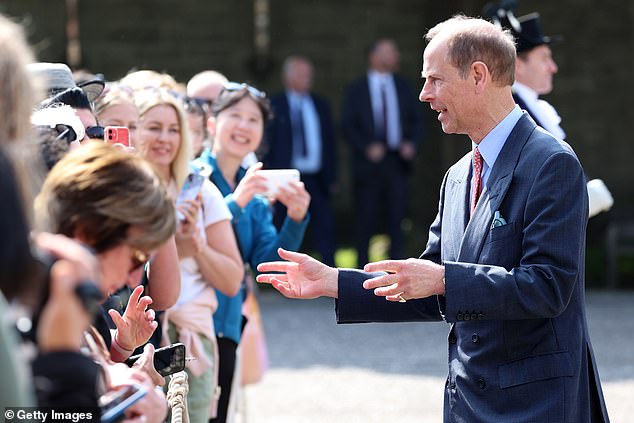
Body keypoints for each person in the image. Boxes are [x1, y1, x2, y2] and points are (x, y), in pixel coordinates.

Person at [256, 15, 610, 423]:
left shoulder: (552, 163)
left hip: (536, 404)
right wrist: (333, 281)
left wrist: (443, 280)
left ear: (478, 75)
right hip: (467, 404)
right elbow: (427, 285)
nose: (424, 94)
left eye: (435, 80)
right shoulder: (457, 175)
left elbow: (549, 287)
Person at [195, 82, 310, 423]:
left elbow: (268, 263)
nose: (244, 126)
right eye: (235, 116)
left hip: (228, 322)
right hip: (187, 316)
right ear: (213, 123)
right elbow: (185, 236)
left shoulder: (256, 189)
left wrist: (296, 218)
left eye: (253, 120)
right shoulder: (192, 174)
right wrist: (236, 202)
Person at [134, 86, 244, 423]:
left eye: (174, 128)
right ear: (134, 130)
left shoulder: (200, 189)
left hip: (189, 340)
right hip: (136, 337)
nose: (165, 138)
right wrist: (178, 246)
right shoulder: (124, 188)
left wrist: (198, 247)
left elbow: (231, 279)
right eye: (154, 127)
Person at [489, 4, 614, 219]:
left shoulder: (529, 105)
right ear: (518, 65)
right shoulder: (512, 110)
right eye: (545, 58)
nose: (553, 67)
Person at [342, 38, 424, 266]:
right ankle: (360, 277)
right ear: (374, 56)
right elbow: (347, 126)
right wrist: (366, 147)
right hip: (368, 164)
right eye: (389, 51)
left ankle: (396, 277)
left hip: (398, 162)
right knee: (365, 220)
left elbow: (418, 121)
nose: (395, 56)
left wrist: (412, 143)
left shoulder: (404, 86)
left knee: (397, 220)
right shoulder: (356, 89)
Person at [264, 56, 337, 266]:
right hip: (285, 179)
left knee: (324, 225)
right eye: (301, 74)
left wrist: (332, 177)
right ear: (287, 77)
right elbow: (268, 144)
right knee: (283, 225)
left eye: (308, 74)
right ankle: (278, 272)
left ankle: (331, 273)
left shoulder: (320, 104)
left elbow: (329, 144)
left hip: (317, 177)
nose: (307, 78)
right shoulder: (274, 105)